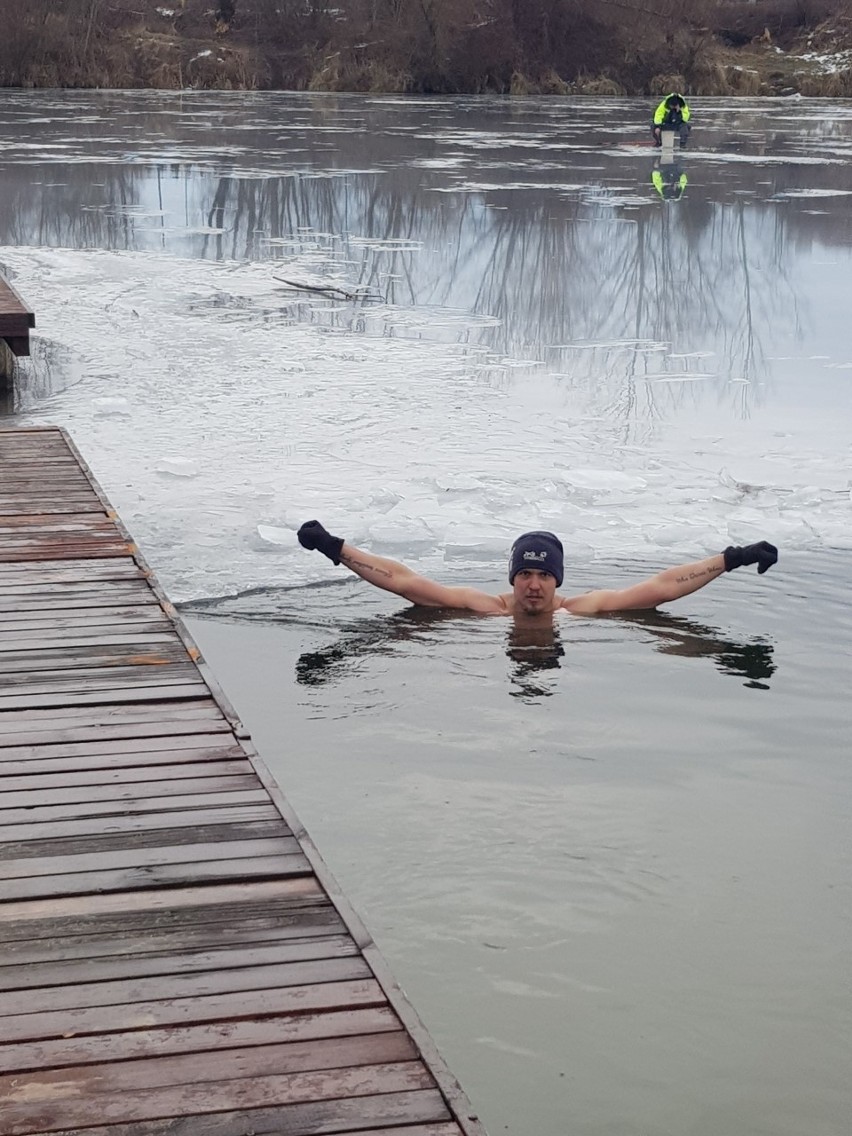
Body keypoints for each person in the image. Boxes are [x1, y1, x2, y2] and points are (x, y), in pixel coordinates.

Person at [297, 522, 777, 616]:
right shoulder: (484, 609)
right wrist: (334, 547)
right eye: (525, 575)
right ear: (512, 578)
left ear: (556, 580)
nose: (532, 584)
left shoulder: (581, 610)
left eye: (543, 575)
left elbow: (661, 589)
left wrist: (731, 557)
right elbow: (405, 583)